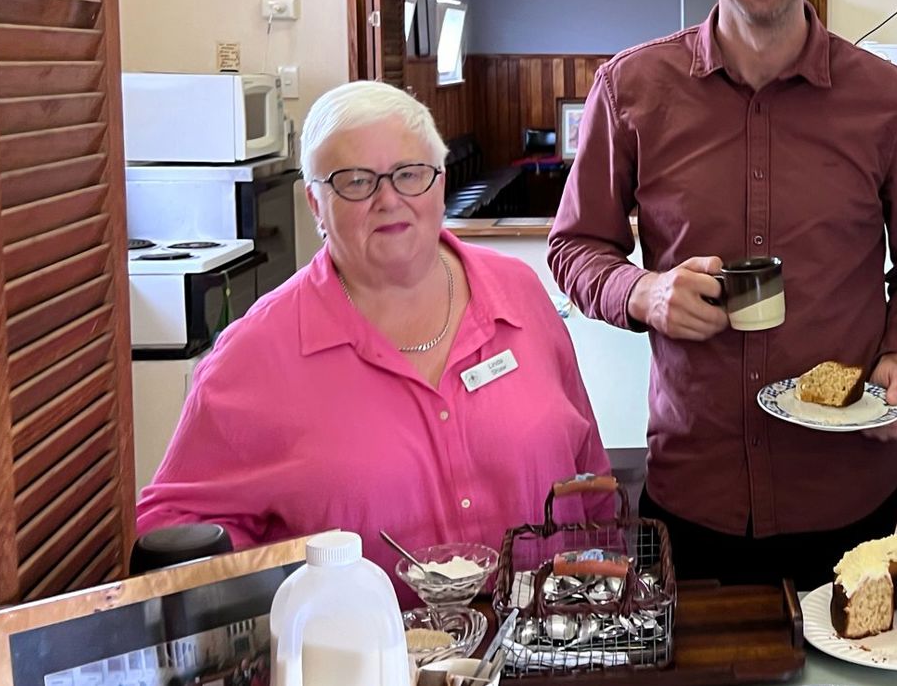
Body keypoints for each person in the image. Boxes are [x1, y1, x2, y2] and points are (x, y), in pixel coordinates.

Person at [548, 0, 897, 589]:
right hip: (694, 489)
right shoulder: (631, 90)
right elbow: (576, 248)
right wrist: (644, 291)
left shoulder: (892, 102)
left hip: (844, 487)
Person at [138, 82, 612, 580]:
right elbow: (175, 529)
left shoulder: (518, 294)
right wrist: (284, 594)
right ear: (315, 204)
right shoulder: (255, 354)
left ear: (440, 181)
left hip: (555, 641)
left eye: (409, 175)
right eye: (356, 181)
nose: (389, 199)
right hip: (368, 654)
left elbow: (590, 475)